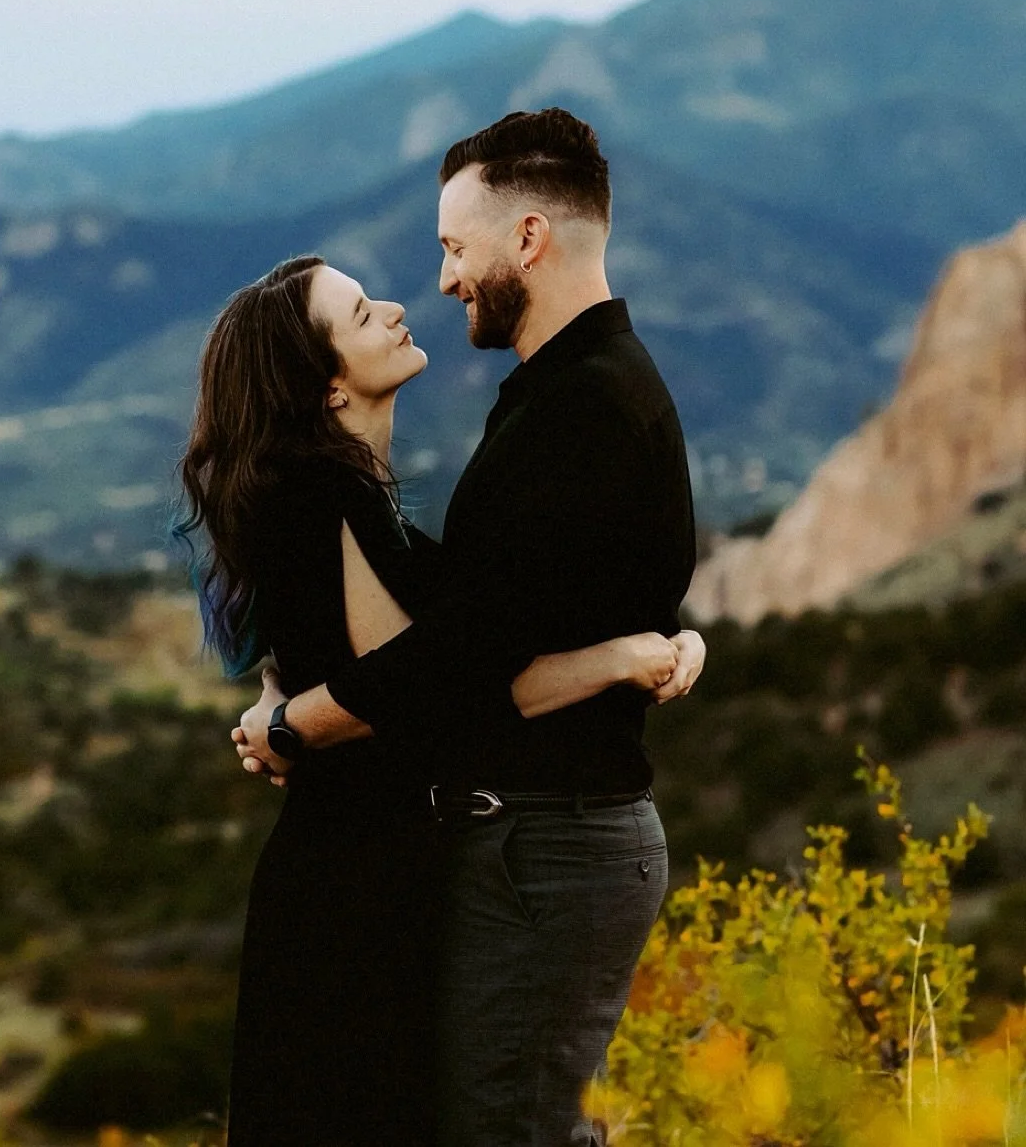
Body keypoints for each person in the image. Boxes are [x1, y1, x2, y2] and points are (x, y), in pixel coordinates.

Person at [235, 108, 701, 1146]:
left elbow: (459, 661)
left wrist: (295, 724)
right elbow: (511, 604)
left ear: (527, 238)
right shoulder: (569, 394)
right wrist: (650, 643)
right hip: (527, 844)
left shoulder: (577, 408)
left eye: (455, 248)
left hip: (551, 844)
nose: (443, 282)